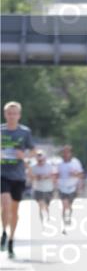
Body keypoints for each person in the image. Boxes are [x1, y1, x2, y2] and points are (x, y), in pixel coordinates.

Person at [1, 100, 36, 259]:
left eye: (15, 113)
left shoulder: (24, 132)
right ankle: (3, 232)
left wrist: (25, 156)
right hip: (2, 173)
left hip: (18, 175)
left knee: (15, 210)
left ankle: (11, 240)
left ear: (19, 115)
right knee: (5, 203)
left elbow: (34, 151)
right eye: (9, 113)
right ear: (5, 114)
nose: (12, 116)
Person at [56, 144, 84, 232]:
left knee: (69, 206)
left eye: (67, 152)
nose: (65, 154)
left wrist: (75, 174)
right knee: (64, 205)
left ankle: (69, 217)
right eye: (64, 152)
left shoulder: (76, 162)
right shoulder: (59, 163)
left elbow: (81, 175)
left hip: (72, 187)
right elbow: (55, 175)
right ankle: (64, 223)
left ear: (70, 153)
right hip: (62, 187)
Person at [29, 150, 57, 225]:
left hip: (48, 189)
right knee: (40, 204)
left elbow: (55, 176)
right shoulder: (33, 167)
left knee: (46, 205)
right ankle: (42, 220)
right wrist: (37, 177)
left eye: (41, 159)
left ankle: (47, 216)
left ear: (44, 158)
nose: (40, 161)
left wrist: (46, 176)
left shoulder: (50, 166)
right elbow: (30, 177)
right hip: (38, 189)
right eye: (38, 159)